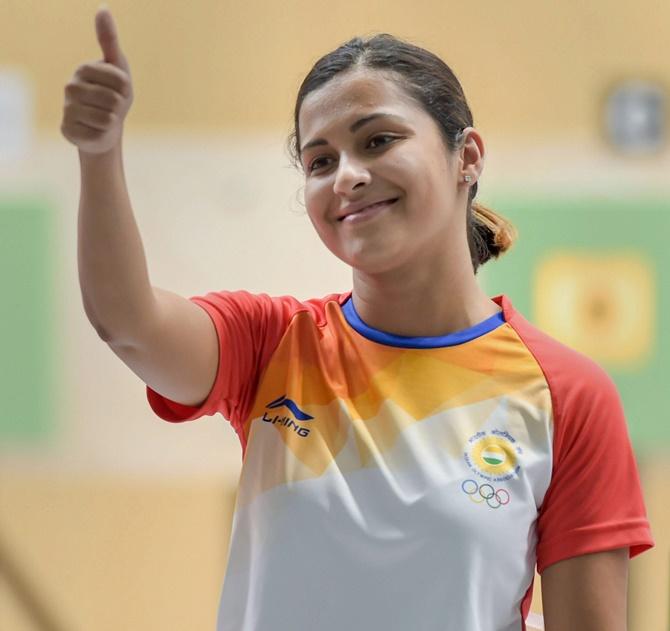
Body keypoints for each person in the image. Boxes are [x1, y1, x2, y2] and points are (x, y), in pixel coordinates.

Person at [62, 8, 655, 631]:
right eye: (320, 161)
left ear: (467, 156)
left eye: (378, 140)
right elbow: (127, 323)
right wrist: (99, 154)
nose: (347, 176)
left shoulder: (567, 395)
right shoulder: (270, 346)